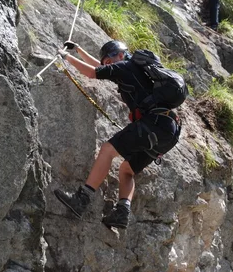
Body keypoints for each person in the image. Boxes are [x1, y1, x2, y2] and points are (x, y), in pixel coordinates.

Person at [53, 40, 181, 229]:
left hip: (154, 124)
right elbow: (99, 67)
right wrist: (79, 50)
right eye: (105, 62)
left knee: (107, 150)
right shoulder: (133, 69)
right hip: (169, 130)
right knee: (126, 170)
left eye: (109, 60)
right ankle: (122, 213)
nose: (107, 65)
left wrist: (65, 57)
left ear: (120, 55)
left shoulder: (125, 67)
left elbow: (92, 72)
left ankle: (82, 199)